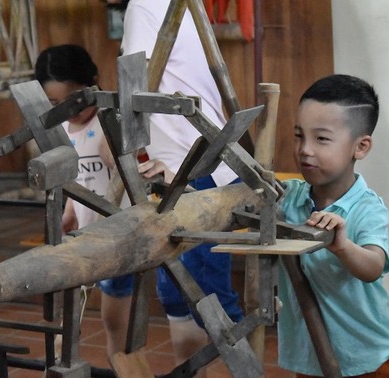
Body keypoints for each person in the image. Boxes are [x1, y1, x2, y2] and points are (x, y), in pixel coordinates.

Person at [121, 0, 244, 373]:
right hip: (196, 160)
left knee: (208, 297)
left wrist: (134, 158)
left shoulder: (144, 5)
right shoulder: (183, 6)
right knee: (178, 293)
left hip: (189, 165)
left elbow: (135, 84)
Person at [277, 74, 389, 377]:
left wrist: (343, 246)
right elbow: (235, 198)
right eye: (299, 136)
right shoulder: (289, 198)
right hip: (313, 357)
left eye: (321, 139)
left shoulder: (366, 208)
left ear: (360, 147)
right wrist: (175, 180)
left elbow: (373, 265)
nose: (305, 149)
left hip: (370, 359)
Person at [34, 44, 134, 360]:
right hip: (83, 239)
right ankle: (65, 360)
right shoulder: (63, 129)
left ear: (92, 81)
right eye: (55, 103)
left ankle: (121, 363)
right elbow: (75, 184)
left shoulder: (107, 122)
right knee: (69, 320)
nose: (69, 109)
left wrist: (116, 150)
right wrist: (67, 214)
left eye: (74, 98)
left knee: (114, 320)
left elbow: (127, 178)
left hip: (119, 239)